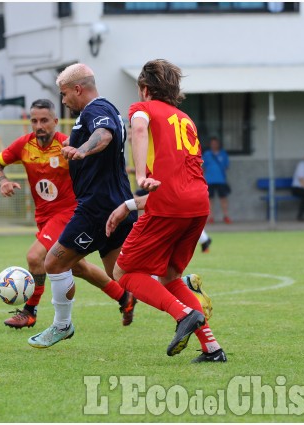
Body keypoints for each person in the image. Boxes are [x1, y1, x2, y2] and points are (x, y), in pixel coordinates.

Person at [105, 59, 226, 363]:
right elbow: (178, 182)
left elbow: (139, 127)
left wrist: (140, 176)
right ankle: (212, 348)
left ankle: (183, 314)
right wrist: (128, 205)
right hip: (198, 205)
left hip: (169, 205)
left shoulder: (141, 109)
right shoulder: (185, 119)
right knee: (171, 277)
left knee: (124, 272)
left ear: (145, 89)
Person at [0, 99, 137, 329]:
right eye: (34, 121)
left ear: (55, 122)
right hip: (44, 218)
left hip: (69, 213)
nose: (39, 125)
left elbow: (95, 161)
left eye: (44, 120)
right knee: (78, 268)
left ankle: (30, 311)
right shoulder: (23, 145)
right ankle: (124, 297)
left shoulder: (68, 145)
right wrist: (3, 182)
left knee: (34, 257)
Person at [27, 63, 138, 348]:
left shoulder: (94, 110)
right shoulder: (105, 109)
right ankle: (185, 289)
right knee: (123, 277)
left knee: (53, 261)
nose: (63, 101)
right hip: (115, 203)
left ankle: (62, 325)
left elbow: (104, 136)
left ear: (78, 89)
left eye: (64, 94)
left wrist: (81, 149)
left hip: (96, 208)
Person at [202, 137, 232, 224]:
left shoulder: (223, 154)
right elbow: (203, 167)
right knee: (210, 199)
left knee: (223, 198)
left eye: (215, 143)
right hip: (209, 180)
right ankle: (211, 217)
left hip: (221, 180)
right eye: (212, 143)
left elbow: (226, 166)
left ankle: (225, 216)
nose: (214, 145)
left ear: (218, 144)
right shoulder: (207, 154)